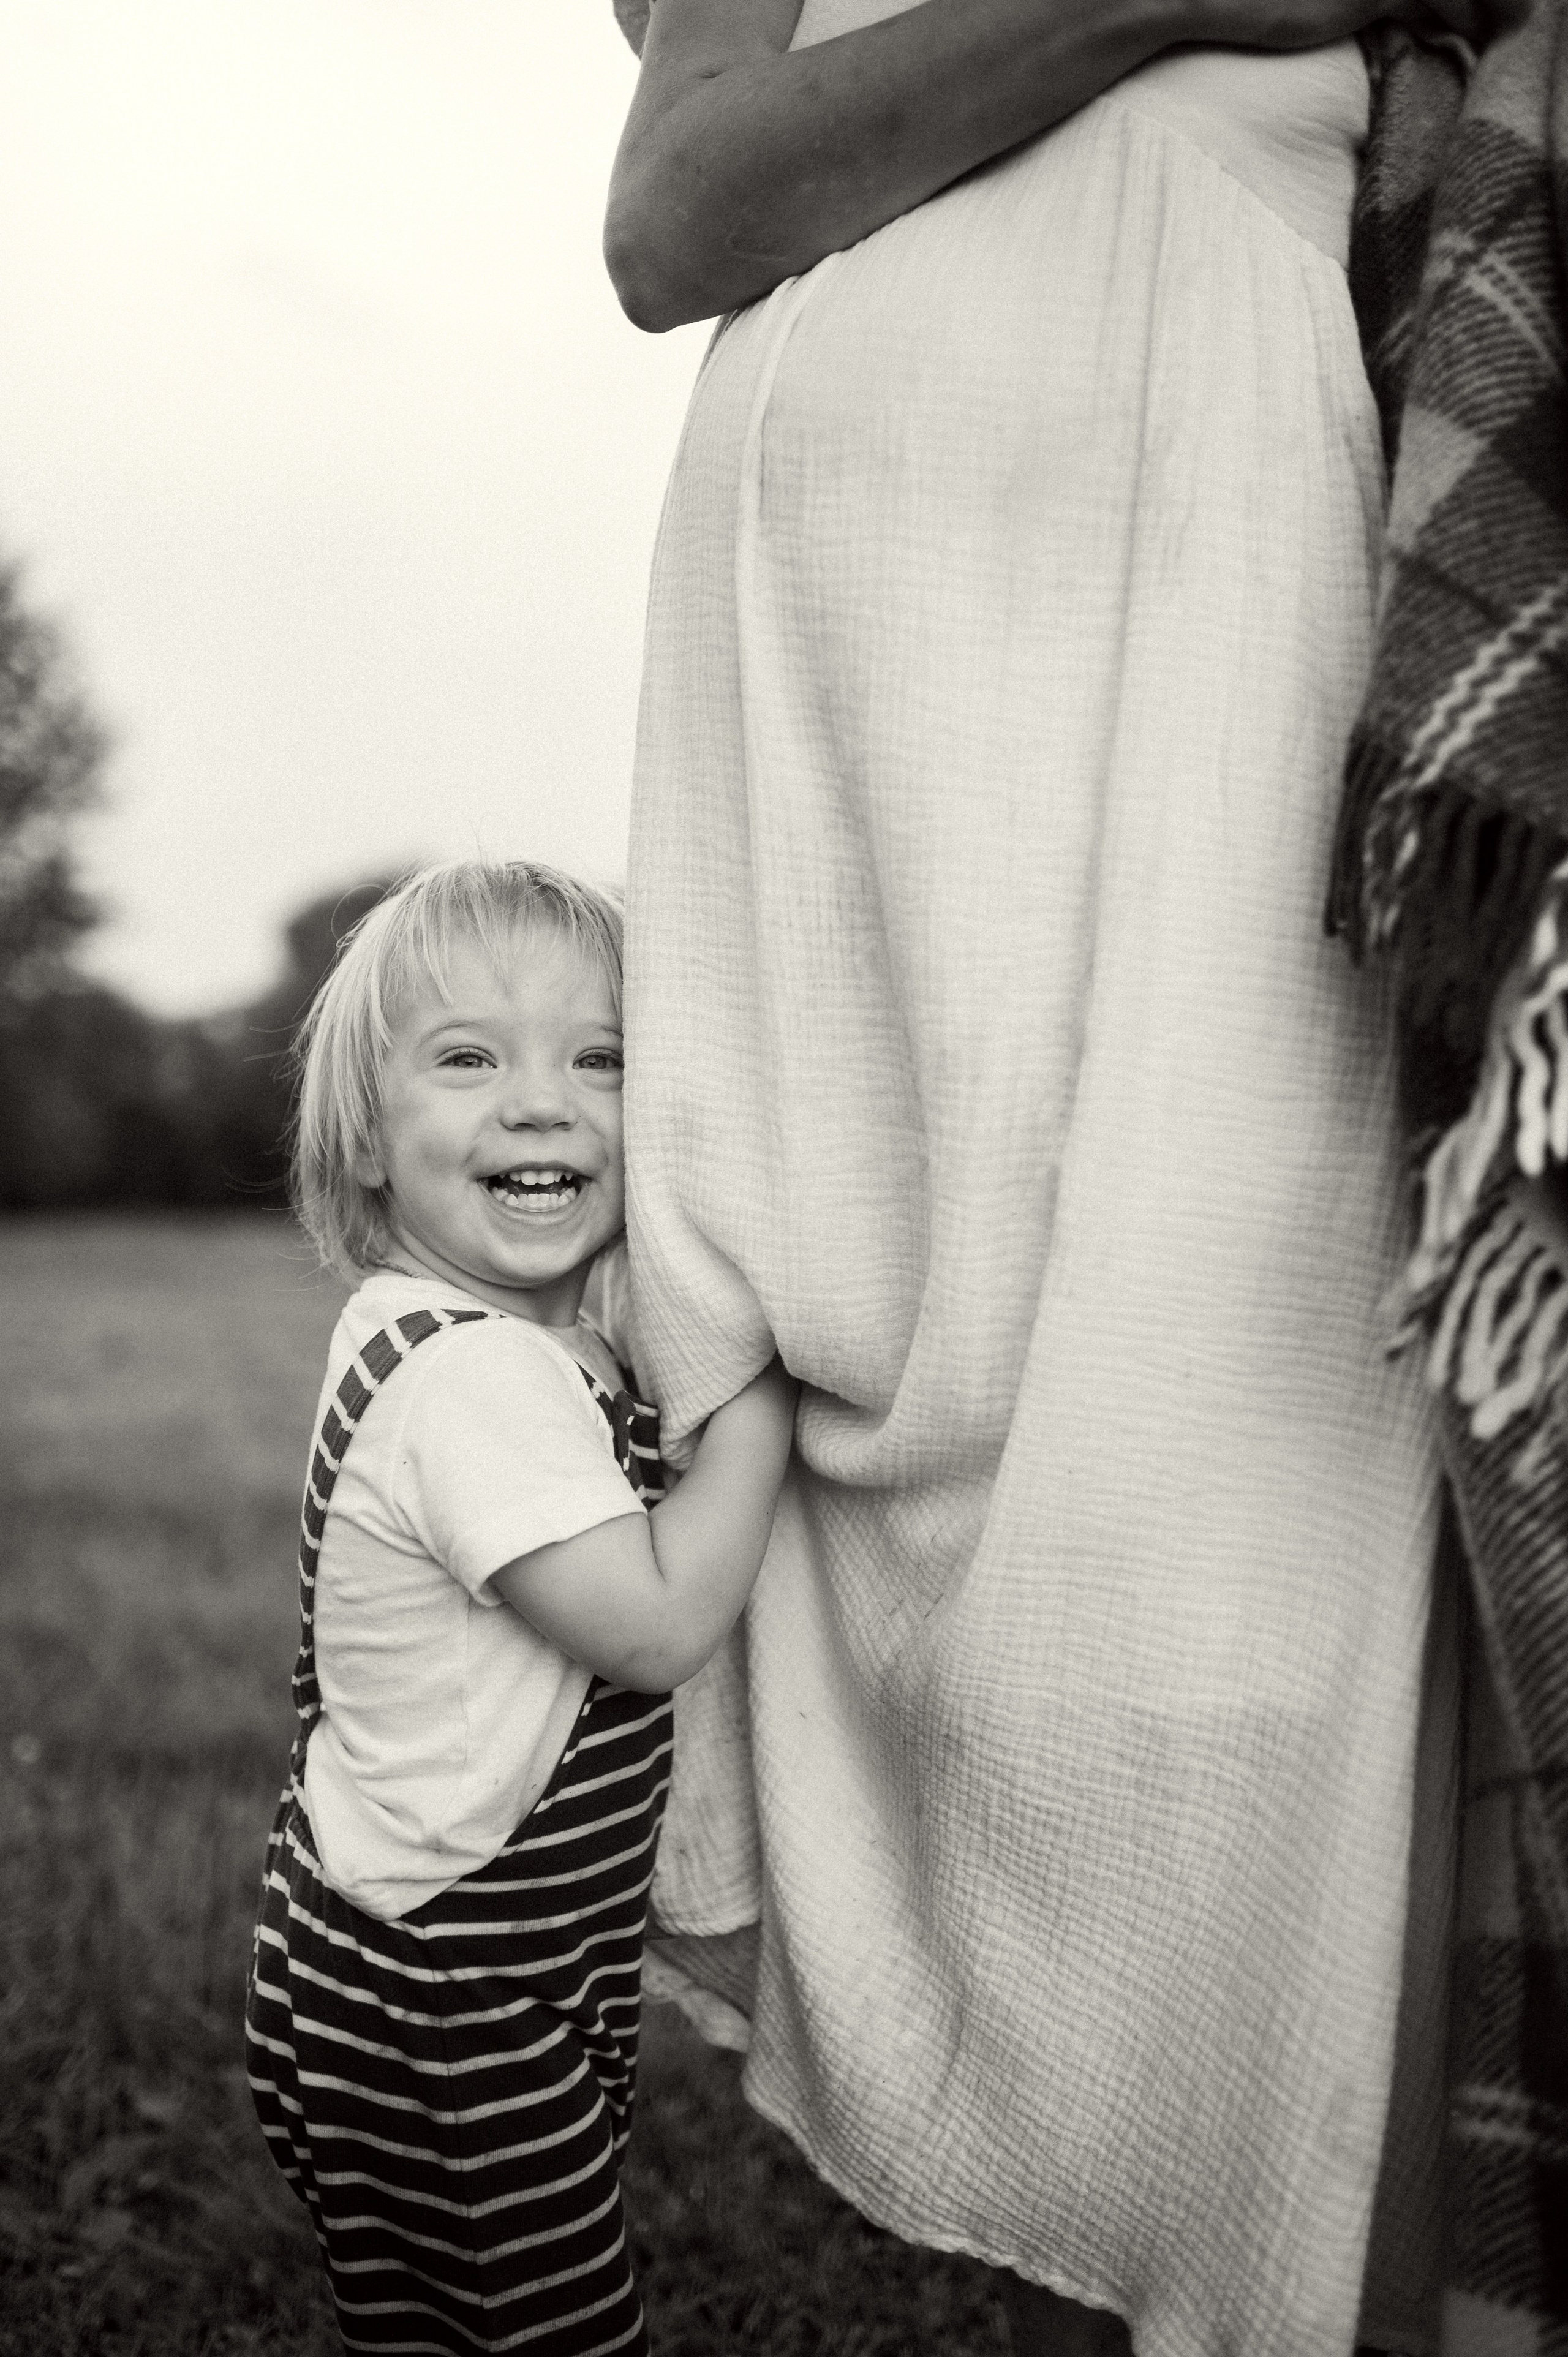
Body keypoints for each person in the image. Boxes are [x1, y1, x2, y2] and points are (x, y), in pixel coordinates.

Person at [603, 3, 1518, 2352]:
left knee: (1269, 1452)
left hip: (1249, 569)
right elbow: (681, 208)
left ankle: (1329, 2242)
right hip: (874, 715)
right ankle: (1106, 2176)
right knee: (871, 1393)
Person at [243, 859, 797, 2357]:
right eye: (468, 1056)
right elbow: (657, 1621)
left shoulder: (499, 1346)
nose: (542, 1101)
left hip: (431, 1961)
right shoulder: (466, 1373)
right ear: (368, 1142)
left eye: (599, 1056)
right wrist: (757, 1408)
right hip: (442, 1995)